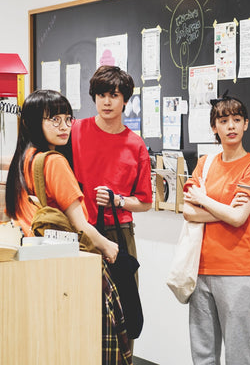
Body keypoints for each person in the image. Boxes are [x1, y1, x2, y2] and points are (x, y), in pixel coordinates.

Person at [5, 89, 132, 365]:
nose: (64, 127)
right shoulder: (54, 162)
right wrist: (109, 247)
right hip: (66, 268)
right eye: (54, 120)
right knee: (88, 346)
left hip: (32, 267)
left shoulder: (22, 160)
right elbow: (80, 225)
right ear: (33, 121)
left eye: (67, 119)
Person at [183, 94, 250, 365]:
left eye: (237, 120)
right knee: (203, 355)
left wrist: (204, 200)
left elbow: (238, 218)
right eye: (223, 120)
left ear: (246, 124)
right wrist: (225, 212)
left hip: (238, 270)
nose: (231, 126)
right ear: (214, 127)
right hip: (201, 268)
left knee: (239, 355)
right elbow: (188, 211)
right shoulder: (205, 164)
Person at [71, 65, 153, 349]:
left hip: (119, 234)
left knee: (123, 310)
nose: (107, 102)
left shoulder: (135, 145)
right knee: (77, 306)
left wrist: (118, 200)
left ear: (125, 100)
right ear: (94, 97)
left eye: (114, 95)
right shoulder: (75, 131)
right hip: (78, 230)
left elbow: (144, 202)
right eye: (101, 95)